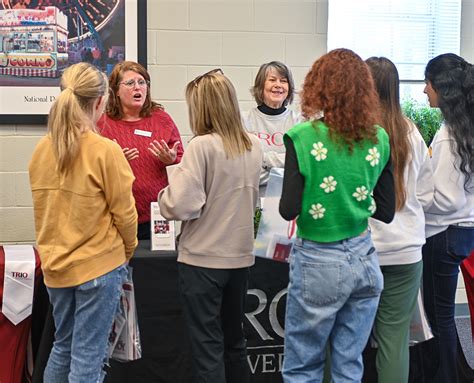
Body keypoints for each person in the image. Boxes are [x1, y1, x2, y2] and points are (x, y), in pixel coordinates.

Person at [279, 48, 395, 381]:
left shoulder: (302, 138)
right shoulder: (379, 139)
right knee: (349, 363)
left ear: (319, 86)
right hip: (364, 259)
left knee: (303, 365)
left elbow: (288, 208)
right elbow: (385, 211)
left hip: (318, 260)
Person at [29, 62, 138, 382]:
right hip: (98, 268)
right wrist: (128, 248)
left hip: (56, 267)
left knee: (62, 347)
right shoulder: (105, 151)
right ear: (100, 103)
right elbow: (126, 214)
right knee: (88, 356)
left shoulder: (41, 150)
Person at [158, 69, 262, 383]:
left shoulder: (201, 146)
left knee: (207, 349)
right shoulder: (253, 146)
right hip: (239, 260)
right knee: (235, 344)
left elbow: (181, 205)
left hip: (202, 261)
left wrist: (167, 187)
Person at [366, 56, 434, 382]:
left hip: (361, 250)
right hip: (406, 250)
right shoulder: (411, 132)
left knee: (342, 338)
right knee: (394, 341)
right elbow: (426, 192)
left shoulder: (355, 133)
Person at [421, 53, 474, 382]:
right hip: (465, 230)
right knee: (443, 314)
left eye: (428, 83)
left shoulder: (447, 136)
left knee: (438, 314)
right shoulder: (465, 128)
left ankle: (446, 377)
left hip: (443, 233)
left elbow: (442, 198)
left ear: (443, 88)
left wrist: (411, 202)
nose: (424, 91)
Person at [98, 61, 183, 240]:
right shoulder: (102, 123)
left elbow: (181, 160)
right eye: (130, 83)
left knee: (157, 266)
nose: (138, 87)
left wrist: (171, 160)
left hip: (157, 214)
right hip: (116, 216)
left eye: (142, 82)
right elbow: (89, 167)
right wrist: (114, 162)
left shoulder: (162, 119)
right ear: (115, 90)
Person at [242, 61, 301, 197]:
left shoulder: (299, 122)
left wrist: (262, 159)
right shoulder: (244, 121)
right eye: (272, 80)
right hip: (252, 202)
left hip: (289, 202)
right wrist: (285, 169)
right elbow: (244, 170)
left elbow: (301, 165)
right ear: (261, 86)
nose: (278, 85)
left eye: (283, 81)